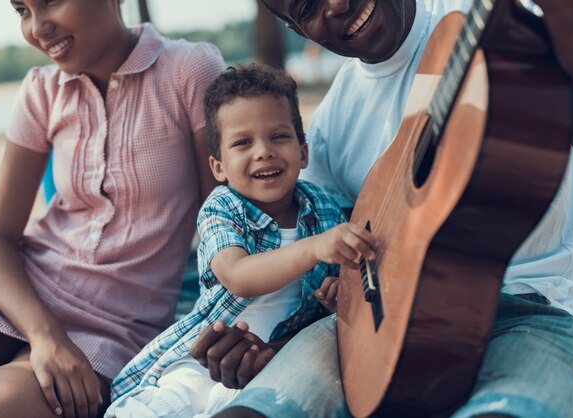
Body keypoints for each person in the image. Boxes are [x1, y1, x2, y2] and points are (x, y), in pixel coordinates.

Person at [191, 1, 573, 417]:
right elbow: (339, 277)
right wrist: (274, 351)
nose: (337, 3)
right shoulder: (329, 126)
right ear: (302, 32)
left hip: (537, 308)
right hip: (383, 332)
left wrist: (571, 12)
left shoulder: (498, 26)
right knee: (257, 411)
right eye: (308, 8)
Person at [0, 0, 226, 417]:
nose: (37, 27)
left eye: (48, 2)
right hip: (20, 298)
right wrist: (44, 334)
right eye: (21, 10)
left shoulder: (189, 70)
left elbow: (228, 226)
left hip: (107, 333)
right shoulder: (41, 90)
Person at [105, 63, 376, 418]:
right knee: (168, 406)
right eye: (243, 142)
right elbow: (238, 275)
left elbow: (340, 275)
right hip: (207, 354)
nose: (263, 151)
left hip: (276, 360)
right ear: (218, 167)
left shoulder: (321, 206)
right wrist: (315, 247)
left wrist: (334, 290)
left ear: (303, 152)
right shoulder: (222, 209)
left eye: (279, 136)